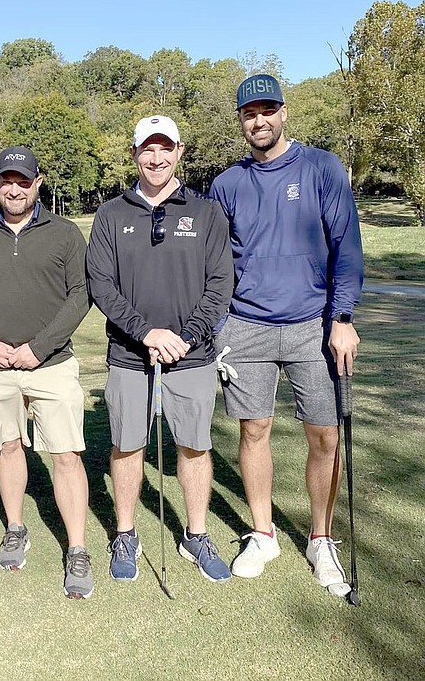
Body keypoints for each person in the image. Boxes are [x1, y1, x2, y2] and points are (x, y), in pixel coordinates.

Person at [209, 74, 363, 596]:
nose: (260, 120)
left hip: (313, 325)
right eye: (250, 113)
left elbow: (347, 248)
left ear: (284, 112)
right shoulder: (227, 183)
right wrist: (215, 323)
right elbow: (216, 263)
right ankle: (262, 533)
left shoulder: (322, 167)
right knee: (254, 430)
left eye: (268, 110)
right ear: (241, 120)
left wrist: (342, 319)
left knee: (325, 435)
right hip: (246, 326)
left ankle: (321, 538)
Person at [86, 116, 234, 584]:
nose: (156, 158)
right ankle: (126, 534)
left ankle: (195, 534)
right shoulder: (111, 214)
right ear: (134, 154)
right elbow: (102, 287)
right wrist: (146, 333)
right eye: (147, 150)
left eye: (165, 149)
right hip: (130, 355)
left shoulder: (207, 212)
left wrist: (185, 336)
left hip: (192, 356)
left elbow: (220, 286)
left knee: (194, 446)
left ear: (180, 151)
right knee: (127, 446)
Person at [0, 146, 93, 599]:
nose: (13, 188)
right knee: (8, 448)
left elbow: (80, 295)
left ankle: (76, 549)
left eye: (22, 180)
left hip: (51, 365)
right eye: (5, 180)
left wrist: (38, 347)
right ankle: (16, 527)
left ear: (37, 183)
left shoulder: (66, 233)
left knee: (66, 455)